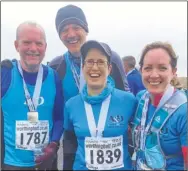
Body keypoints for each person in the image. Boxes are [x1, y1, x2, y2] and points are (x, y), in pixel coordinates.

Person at [48, 4, 130, 169]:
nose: (70, 34)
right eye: (64, 30)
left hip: (109, 138)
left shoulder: (110, 57)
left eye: (76, 27)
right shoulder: (56, 65)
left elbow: (125, 93)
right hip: (74, 139)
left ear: (86, 29)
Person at [64, 40, 137, 170]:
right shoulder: (71, 105)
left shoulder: (129, 100)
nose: (95, 67)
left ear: (109, 69)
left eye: (101, 62)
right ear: (83, 67)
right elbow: (70, 140)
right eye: (90, 62)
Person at [1, 21, 64, 170]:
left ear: (45, 47)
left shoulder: (53, 77)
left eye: (39, 43)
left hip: (45, 162)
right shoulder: (5, 73)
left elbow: (59, 117)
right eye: (27, 42)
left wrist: (54, 143)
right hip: (12, 164)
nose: (33, 48)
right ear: (17, 45)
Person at [131, 41, 187, 170]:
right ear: (141, 71)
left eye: (162, 68)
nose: (154, 75)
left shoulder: (184, 111)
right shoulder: (140, 98)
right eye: (148, 68)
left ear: (173, 71)